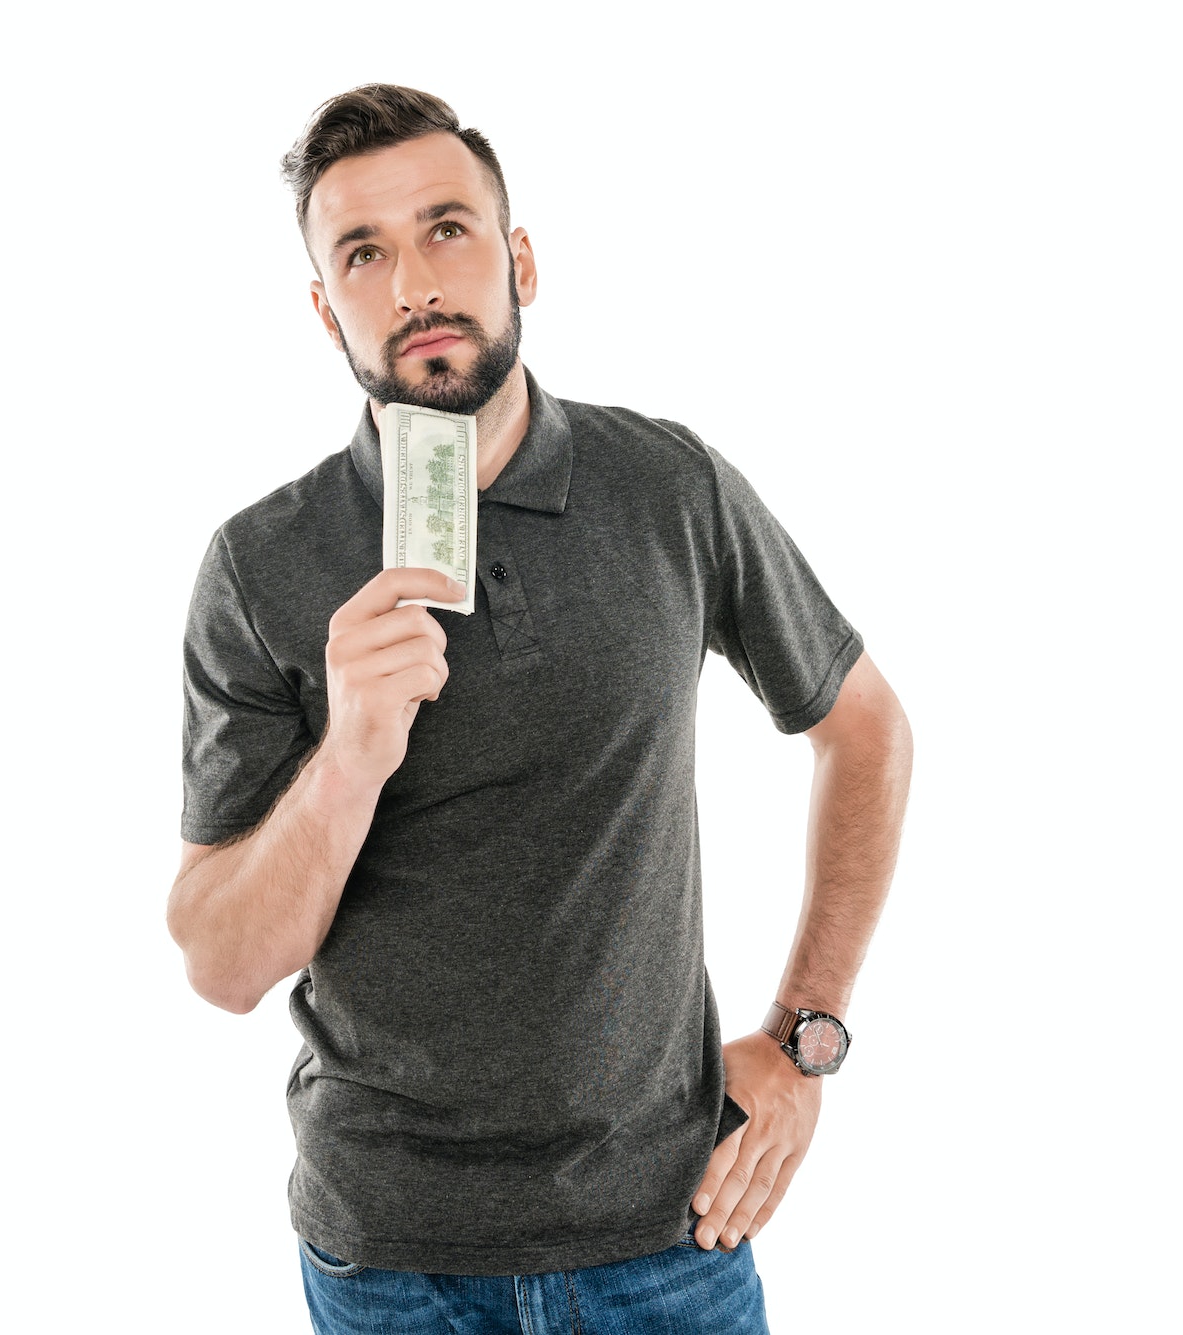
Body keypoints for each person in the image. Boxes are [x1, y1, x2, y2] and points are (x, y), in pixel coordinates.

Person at [167, 84, 913, 1334]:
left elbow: (865, 728)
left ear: (518, 259)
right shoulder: (261, 563)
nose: (412, 284)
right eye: (363, 252)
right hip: (389, 1263)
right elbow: (221, 962)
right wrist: (350, 753)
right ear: (323, 308)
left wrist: (802, 1039)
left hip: (671, 1233)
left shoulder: (668, 488)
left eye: (446, 229)